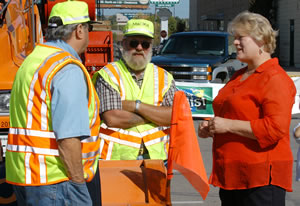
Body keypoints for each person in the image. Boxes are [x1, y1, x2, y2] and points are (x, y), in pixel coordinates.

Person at [6, 1, 101, 205]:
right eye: (89, 28)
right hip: (56, 179)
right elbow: (68, 138)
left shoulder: (32, 61)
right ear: (79, 31)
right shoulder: (66, 68)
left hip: (26, 176)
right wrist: (78, 185)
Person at [198, 11, 296, 206]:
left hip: (260, 181)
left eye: (240, 38)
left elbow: (275, 128)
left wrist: (228, 125)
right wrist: (210, 126)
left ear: (260, 40)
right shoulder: (240, 75)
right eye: (234, 38)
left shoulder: (274, 78)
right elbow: (231, 113)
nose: (235, 43)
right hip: (233, 178)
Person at [93, 19, 176, 161]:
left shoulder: (165, 77)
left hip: (156, 158)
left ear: (151, 47)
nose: (139, 48)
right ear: (123, 44)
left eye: (145, 44)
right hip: (117, 159)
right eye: (134, 43)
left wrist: (135, 106)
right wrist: (154, 116)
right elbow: (112, 118)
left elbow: (173, 116)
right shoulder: (109, 74)